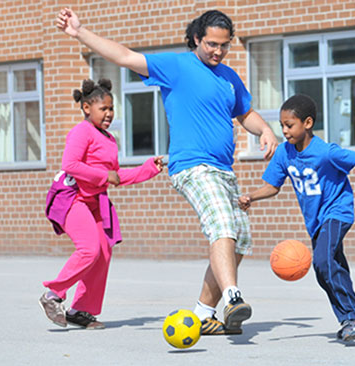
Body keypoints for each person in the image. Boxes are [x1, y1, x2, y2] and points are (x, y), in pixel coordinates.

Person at [56, 8, 278, 335]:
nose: (218, 51)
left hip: (223, 170)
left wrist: (266, 131)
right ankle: (232, 297)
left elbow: (246, 114)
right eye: (212, 45)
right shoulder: (177, 66)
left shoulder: (229, 77)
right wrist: (80, 33)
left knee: (241, 239)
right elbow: (125, 56)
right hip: (191, 166)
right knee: (222, 222)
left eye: (224, 46)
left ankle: (203, 314)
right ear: (197, 39)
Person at [238, 94, 355, 341]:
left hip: (337, 212)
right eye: (282, 125)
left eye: (289, 125)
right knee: (326, 268)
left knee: (323, 261)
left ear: (307, 123)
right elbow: (273, 186)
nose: (284, 131)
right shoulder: (284, 154)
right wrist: (251, 196)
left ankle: (352, 318)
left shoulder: (326, 152)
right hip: (316, 221)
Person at [40, 79, 163, 329]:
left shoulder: (108, 138)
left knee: (103, 251)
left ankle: (80, 310)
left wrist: (149, 169)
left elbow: (116, 176)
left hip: (95, 200)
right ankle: (53, 294)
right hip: (72, 197)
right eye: (103, 109)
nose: (109, 114)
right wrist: (102, 176)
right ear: (87, 108)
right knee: (89, 249)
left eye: (111, 108)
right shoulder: (82, 131)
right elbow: (70, 164)